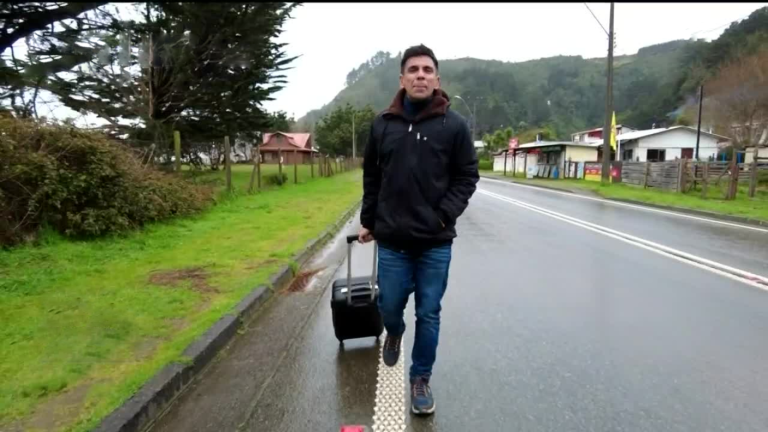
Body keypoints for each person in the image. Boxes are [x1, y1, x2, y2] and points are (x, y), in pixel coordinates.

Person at [358, 44, 479, 415]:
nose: (421, 75)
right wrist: (369, 220)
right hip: (393, 241)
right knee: (390, 306)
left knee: (428, 313)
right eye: (413, 70)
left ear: (437, 79)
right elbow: (372, 176)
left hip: (435, 243)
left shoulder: (454, 126)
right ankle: (393, 332)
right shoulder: (382, 125)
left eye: (428, 70)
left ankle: (420, 379)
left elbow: (467, 176)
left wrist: (443, 216)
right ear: (402, 78)